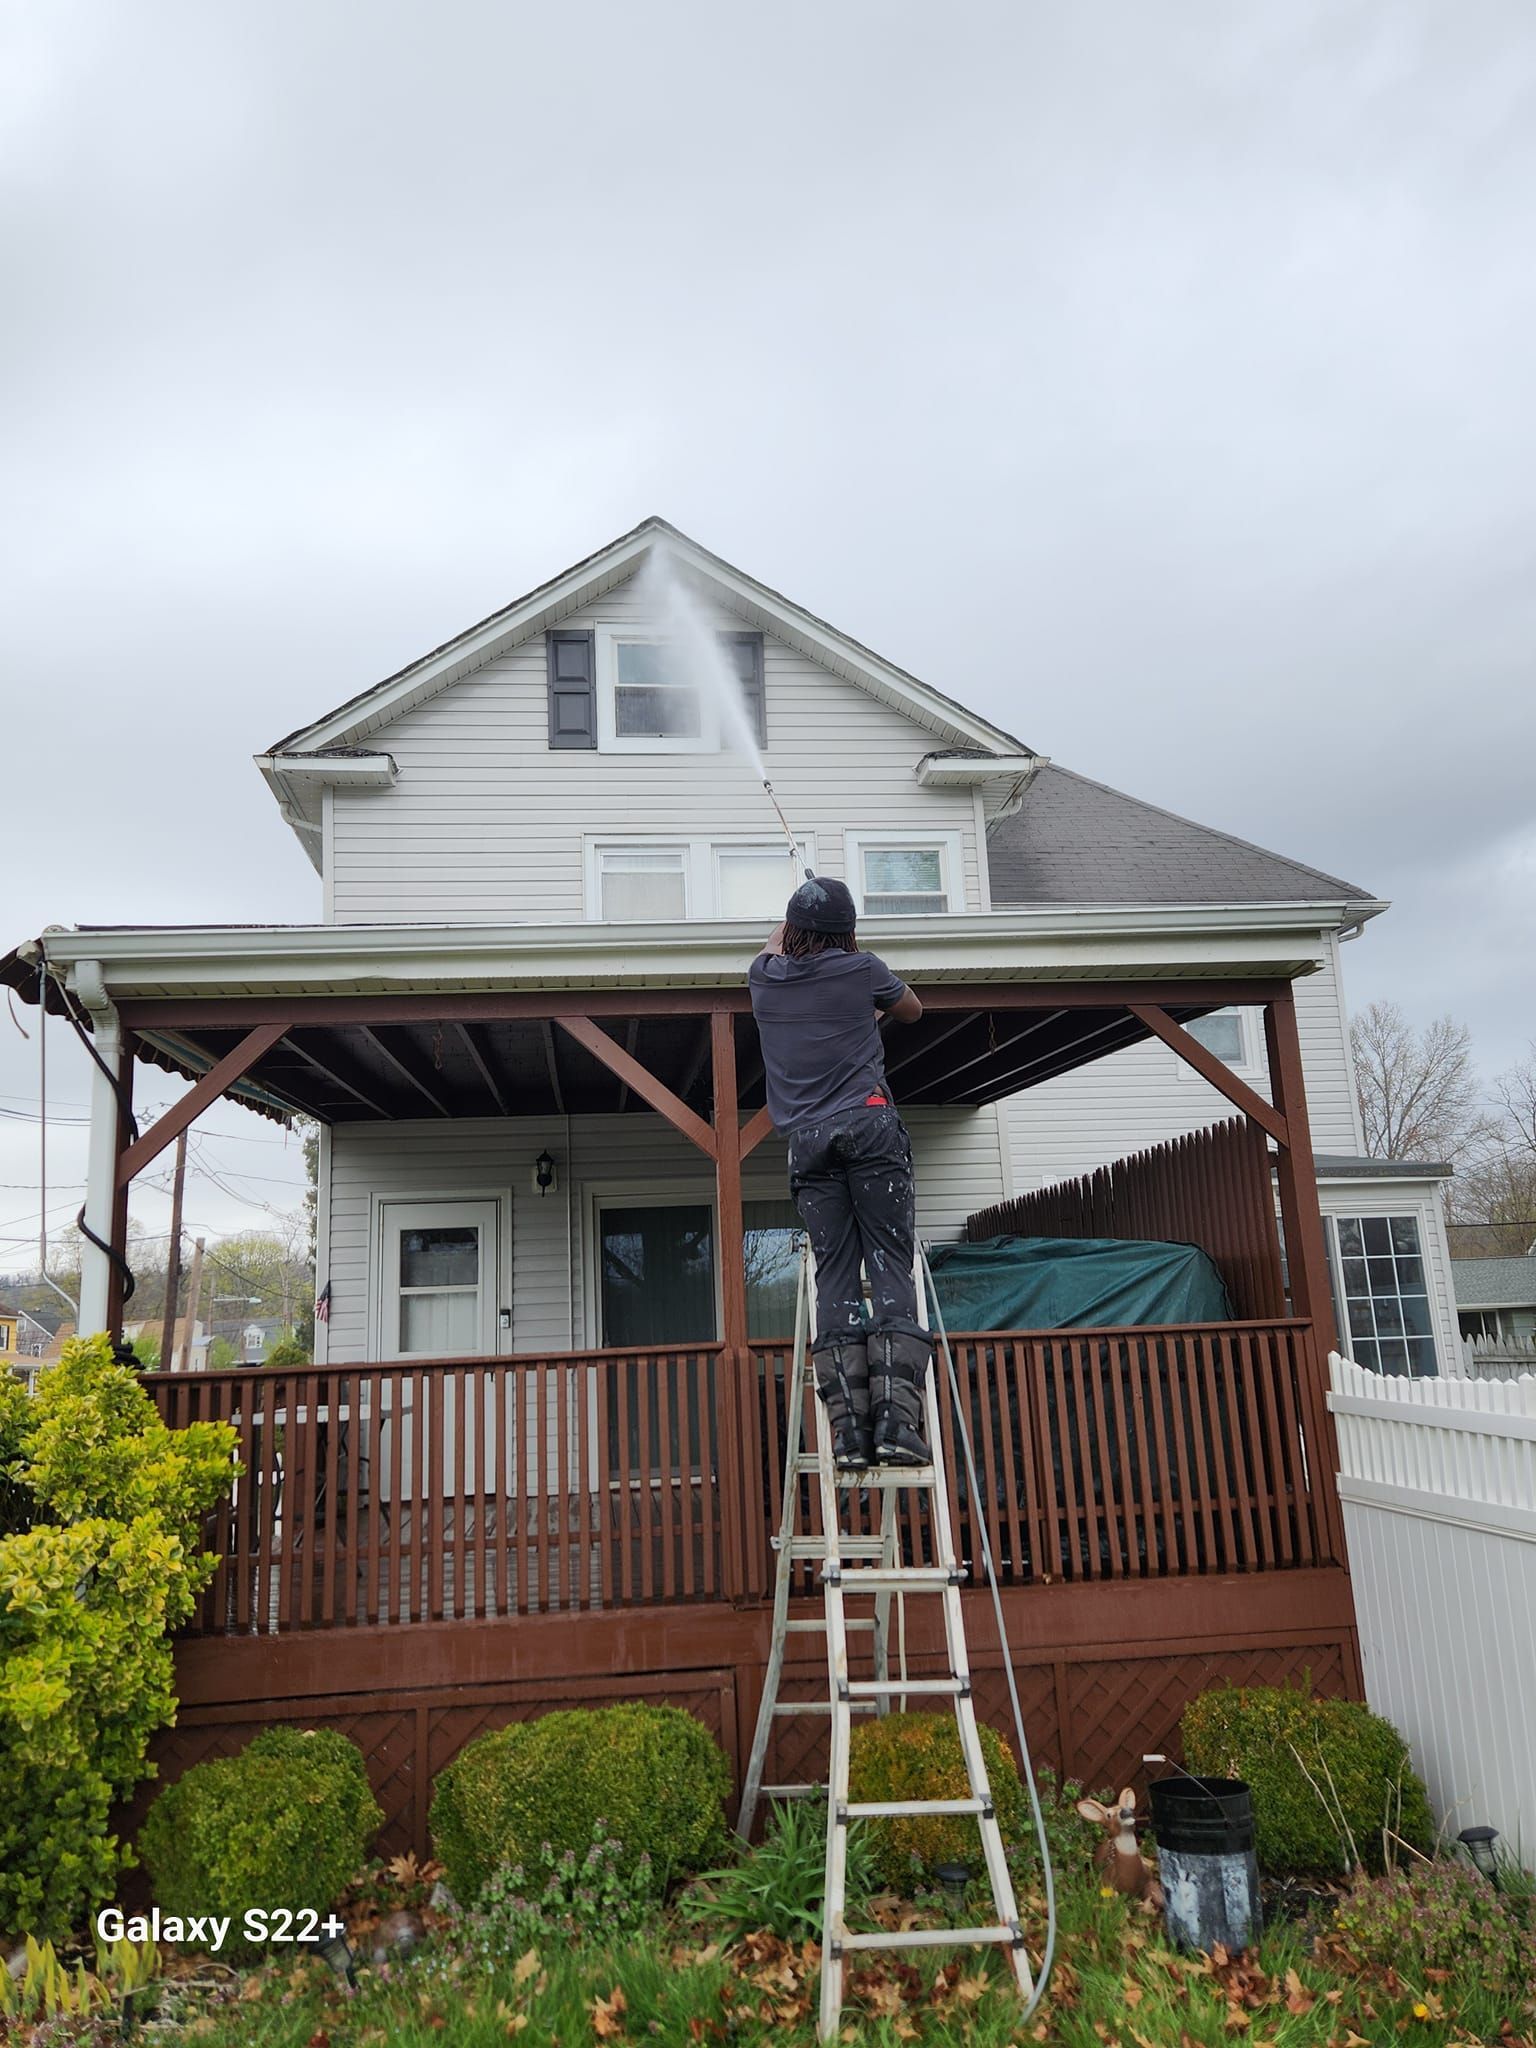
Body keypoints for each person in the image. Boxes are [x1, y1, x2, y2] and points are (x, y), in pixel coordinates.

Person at [748, 874, 931, 1470]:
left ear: (794, 928)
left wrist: (799, 926)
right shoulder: (863, 971)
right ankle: (898, 1427)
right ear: (847, 933)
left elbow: (773, 945)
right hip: (870, 1128)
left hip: (808, 1142)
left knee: (835, 1275)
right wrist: (854, 960)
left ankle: (848, 1435)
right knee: (889, 1261)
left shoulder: (763, 979)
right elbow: (912, 1010)